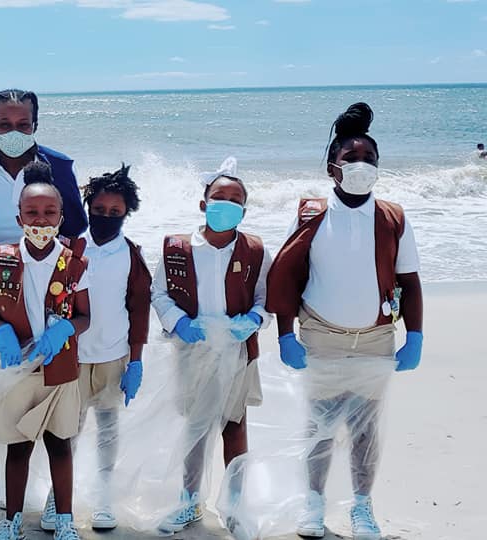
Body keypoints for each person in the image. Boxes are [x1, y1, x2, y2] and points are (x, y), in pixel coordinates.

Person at [266, 102, 424, 540]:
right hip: (321, 337)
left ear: (378, 167)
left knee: (366, 431)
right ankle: (313, 506)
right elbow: (286, 274)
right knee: (319, 426)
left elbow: (409, 281)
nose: (360, 165)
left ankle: (361, 507)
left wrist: (415, 335)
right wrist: (284, 334)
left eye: (369, 159)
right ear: (333, 167)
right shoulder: (311, 212)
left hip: (375, 339)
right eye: (351, 158)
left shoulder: (393, 216)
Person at [150, 157, 271, 535]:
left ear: (244, 210)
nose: (227, 205)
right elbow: (159, 293)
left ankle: (234, 506)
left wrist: (253, 321)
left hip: (237, 352)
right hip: (193, 350)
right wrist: (179, 323)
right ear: (203, 204)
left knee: (234, 426)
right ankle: (189, 502)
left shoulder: (254, 250)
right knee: (195, 428)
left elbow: (265, 300)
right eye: (220, 197)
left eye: (236, 200)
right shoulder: (177, 248)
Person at [0, 161, 91, 540]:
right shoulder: (3, 258)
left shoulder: (74, 262)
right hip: (19, 370)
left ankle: (64, 520)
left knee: (61, 446)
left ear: (61, 217)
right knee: (18, 448)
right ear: (19, 216)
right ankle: (12, 522)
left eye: (49, 213)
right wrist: (2, 333)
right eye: (32, 213)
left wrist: (65, 328)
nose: (40, 220)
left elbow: (85, 317)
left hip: (60, 373)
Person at [48, 164, 150, 531]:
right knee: (66, 432)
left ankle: (104, 498)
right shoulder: (69, 250)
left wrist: (136, 361)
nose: (106, 217)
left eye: (115, 212)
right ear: (88, 207)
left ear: (126, 213)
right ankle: (58, 500)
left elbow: (139, 310)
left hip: (113, 356)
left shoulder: (132, 255)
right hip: (72, 358)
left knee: (108, 430)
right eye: (100, 210)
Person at [0, 89, 88, 272]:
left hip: (49, 283)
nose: (15, 133)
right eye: (5, 125)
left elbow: (74, 229)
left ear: (34, 125)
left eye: (23, 125)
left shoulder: (61, 168)